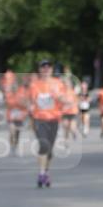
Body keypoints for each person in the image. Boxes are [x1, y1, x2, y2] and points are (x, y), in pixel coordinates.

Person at [28, 59, 67, 187]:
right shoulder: (34, 85)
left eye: (48, 67)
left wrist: (58, 96)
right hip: (39, 119)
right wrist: (30, 112)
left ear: (51, 70)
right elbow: (31, 102)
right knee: (43, 145)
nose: (46, 69)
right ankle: (41, 173)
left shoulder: (58, 83)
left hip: (54, 119)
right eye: (43, 67)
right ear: (39, 70)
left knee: (49, 150)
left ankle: (46, 171)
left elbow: (65, 99)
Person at [4, 79, 29, 154]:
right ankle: (12, 145)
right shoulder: (8, 95)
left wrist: (21, 103)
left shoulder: (21, 95)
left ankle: (16, 145)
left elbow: (26, 105)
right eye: (13, 87)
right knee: (12, 130)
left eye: (15, 87)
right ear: (11, 88)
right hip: (11, 116)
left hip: (19, 117)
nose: (14, 88)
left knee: (17, 132)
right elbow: (8, 105)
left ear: (17, 87)